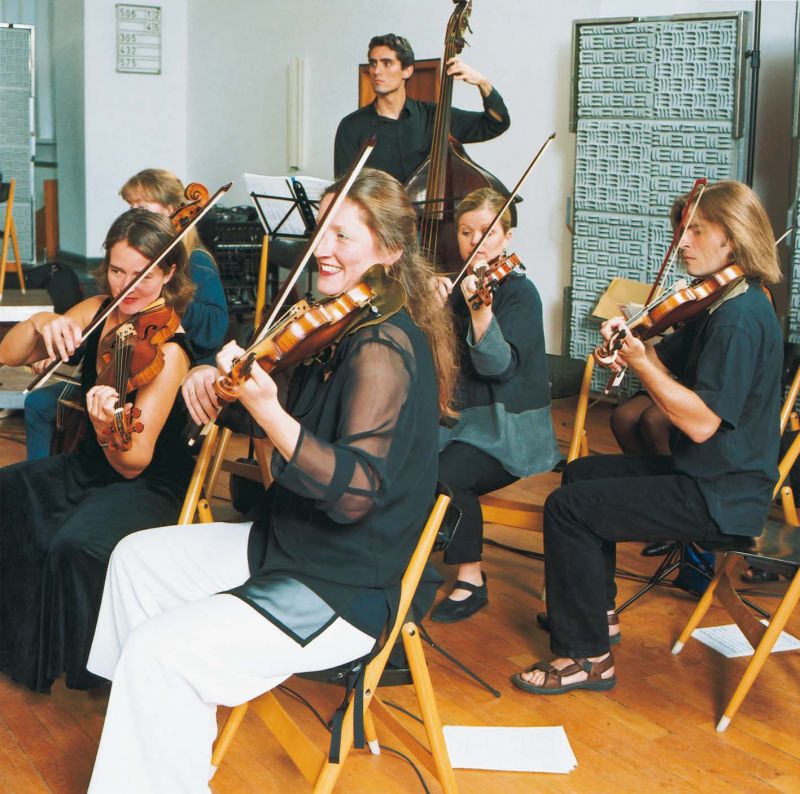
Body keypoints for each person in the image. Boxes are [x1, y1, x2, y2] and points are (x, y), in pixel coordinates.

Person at [85, 168, 458, 792]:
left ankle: (155, 743)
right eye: (321, 231)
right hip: (289, 540)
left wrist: (267, 410)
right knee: (134, 560)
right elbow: (251, 405)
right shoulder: (332, 325)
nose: (323, 248)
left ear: (390, 252)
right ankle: (161, 750)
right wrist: (213, 379)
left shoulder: (382, 348)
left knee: (158, 650)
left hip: (343, 582)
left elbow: (355, 493)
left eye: (344, 235)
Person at [513, 181, 782, 695]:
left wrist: (642, 362)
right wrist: (632, 347)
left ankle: (587, 657)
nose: (682, 243)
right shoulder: (721, 302)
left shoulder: (740, 319)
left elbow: (701, 422)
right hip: (704, 474)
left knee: (569, 509)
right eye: (681, 231)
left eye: (695, 231)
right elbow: (664, 358)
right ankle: (597, 613)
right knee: (581, 473)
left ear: (733, 239)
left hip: (722, 494)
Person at [0, 209, 196, 693]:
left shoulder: (169, 351)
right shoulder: (97, 311)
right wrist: (44, 321)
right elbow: (8, 353)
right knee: (8, 491)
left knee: (75, 543)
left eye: (143, 275)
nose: (127, 286)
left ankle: (89, 668)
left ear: (169, 273)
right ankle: (21, 645)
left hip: (149, 482)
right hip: (90, 465)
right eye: (117, 270)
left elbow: (135, 462)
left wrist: (108, 425)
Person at [23, 168, 228, 460]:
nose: (134, 214)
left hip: (173, 375)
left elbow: (214, 329)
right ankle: (50, 481)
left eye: (142, 206)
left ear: (172, 210)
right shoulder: (131, 261)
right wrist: (57, 349)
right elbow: (108, 322)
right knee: (39, 403)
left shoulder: (197, 262)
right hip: (121, 370)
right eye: (130, 207)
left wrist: (169, 294)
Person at [428, 187, 559, 623]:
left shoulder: (520, 294)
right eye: (467, 232)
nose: (476, 242)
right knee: (399, 455)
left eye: (487, 232)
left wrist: (482, 313)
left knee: (446, 475)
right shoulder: (451, 287)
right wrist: (427, 312)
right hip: (456, 419)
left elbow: (498, 367)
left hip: (506, 429)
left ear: (508, 237)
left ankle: (471, 578)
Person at [334, 33, 510, 182]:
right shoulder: (351, 126)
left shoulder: (434, 116)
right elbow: (346, 191)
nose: (376, 71)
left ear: (407, 71)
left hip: (432, 222)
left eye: (386, 63)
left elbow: (495, 124)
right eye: (373, 63)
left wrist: (483, 83)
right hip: (378, 223)